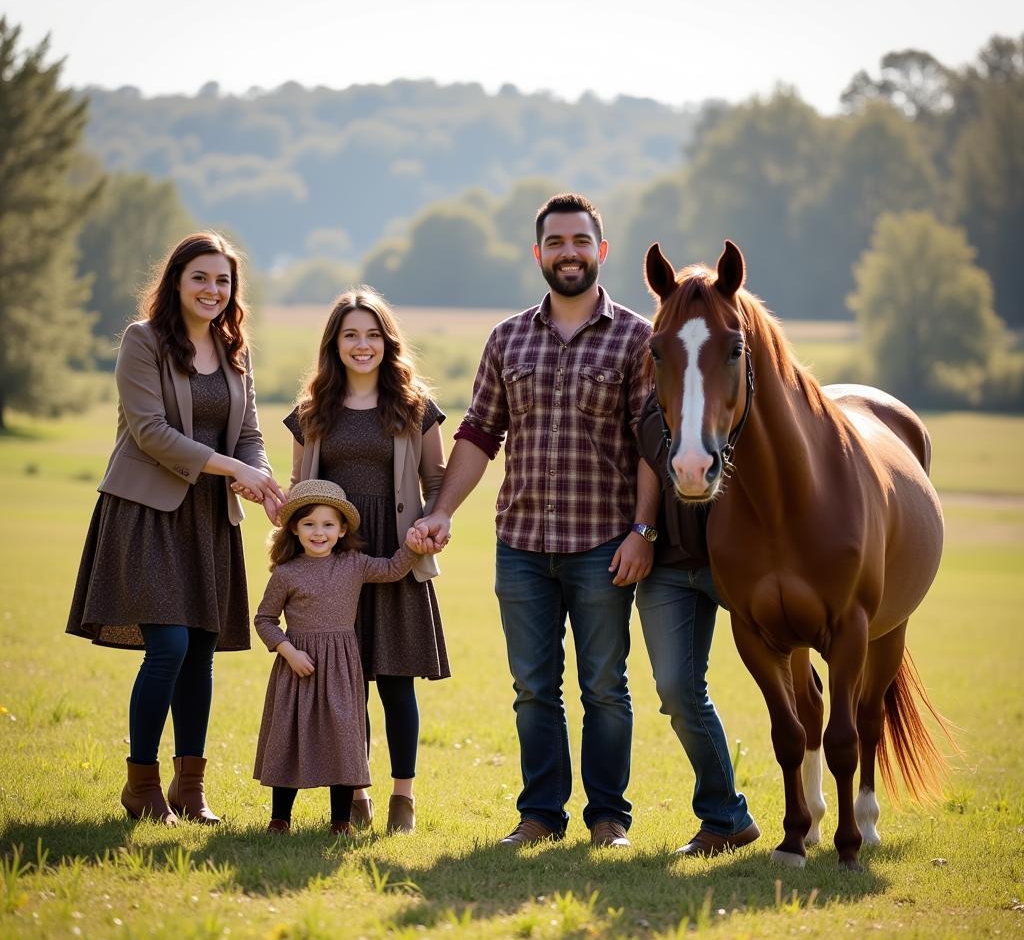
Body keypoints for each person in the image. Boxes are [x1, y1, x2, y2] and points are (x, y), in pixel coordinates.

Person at [415, 193, 654, 848]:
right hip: (520, 546)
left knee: (605, 687)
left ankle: (609, 819)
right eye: (556, 242)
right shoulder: (508, 337)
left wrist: (643, 531)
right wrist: (440, 511)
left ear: (601, 251)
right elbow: (479, 432)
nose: (569, 252)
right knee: (532, 689)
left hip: (604, 545)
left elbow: (651, 446)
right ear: (539, 253)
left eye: (581, 241)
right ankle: (540, 817)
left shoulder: (637, 338)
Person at [67, 231, 287, 826]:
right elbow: (150, 431)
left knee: (201, 654)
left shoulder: (234, 350)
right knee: (167, 647)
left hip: (210, 518)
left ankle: (190, 789)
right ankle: (141, 785)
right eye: (200, 278)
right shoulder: (143, 342)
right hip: (148, 511)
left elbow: (251, 435)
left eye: (223, 281)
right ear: (176, 281)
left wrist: (260, 479)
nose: (212, 290)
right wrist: (232, 467)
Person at [285, 287, 449, 834]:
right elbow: (297, 489)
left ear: (387, 341)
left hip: (397, 556)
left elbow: (436, 480)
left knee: (396, 682)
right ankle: (356, 792)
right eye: (351, 335)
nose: (362, 345)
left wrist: (434, 520)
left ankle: (403, 798)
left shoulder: (414, 405)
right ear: (334, 343)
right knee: (344, 681)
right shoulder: (312, 412)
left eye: (373, 334)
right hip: (336, 563)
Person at [253, 480, 434, 835]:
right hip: (298, 667)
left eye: (327, 525)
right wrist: (288, 651)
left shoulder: (353, 565)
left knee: (343, 739)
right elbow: (264, 619)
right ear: (294, 528)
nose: (318, 532)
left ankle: (341, 822)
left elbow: (393, 569)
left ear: (342, 529)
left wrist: (414, 546)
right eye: (309, 524)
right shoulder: (286, 573)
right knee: (289, 735)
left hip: (340, 666)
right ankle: (279, 818)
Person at [633, 393, 761, 856]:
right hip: (667, 567)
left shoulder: (740, 402)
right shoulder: (652, 408)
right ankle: (727, 817)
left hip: (743, 565)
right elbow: (646, 463)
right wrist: (643, 534)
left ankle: (805, 811)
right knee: (676, 690)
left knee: (791, 683)